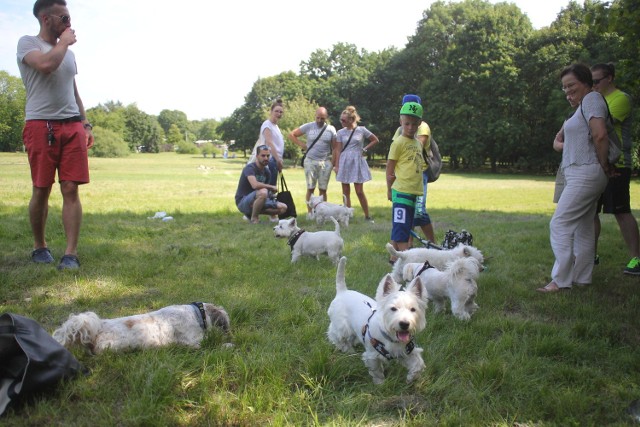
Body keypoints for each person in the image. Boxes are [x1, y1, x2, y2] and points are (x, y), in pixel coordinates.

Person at [17, 0, 94, 270]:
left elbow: (72, 89)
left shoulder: (68, 54)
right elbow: (46, 65)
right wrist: (64, 43)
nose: (69, 23)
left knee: (71, 188)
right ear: (46, 18)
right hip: (40, 125)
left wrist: (85, 123)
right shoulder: (28, 44)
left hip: (72, 126)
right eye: (64, 17)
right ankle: (40, 247)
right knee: (42, 188)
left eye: (69, 17)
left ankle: (70, 254)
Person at [537, 63, 613, 293]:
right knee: (584, 226)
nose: (568, 92)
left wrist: (603, 164)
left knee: (559, 223)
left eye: (572, 86)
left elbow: (600, 135)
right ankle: (582, 277)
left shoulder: (592, 99)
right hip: (583, 172)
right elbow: (559, 142)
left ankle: (560, 280)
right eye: (564, 88)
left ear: (587, 83)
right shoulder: (580, 109)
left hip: (586, 172)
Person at [590, 63, 639, 275]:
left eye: (596, 81)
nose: (593, 86)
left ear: (609, 78)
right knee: (590, 212)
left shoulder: (621, 99)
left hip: (616, 165)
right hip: (596, 164)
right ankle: (590, 256)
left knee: (621, 211)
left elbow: (599, 128)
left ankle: (636, 259)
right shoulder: (596, 98)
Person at [392, 94, 436, 242]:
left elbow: (418, 145)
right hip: (404, 178)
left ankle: (432, 242)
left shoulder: (422, 126)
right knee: (406, 213)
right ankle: (405, 244)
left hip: (419, 173)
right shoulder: (400, 128)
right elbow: (397, 150)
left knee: (419, 211)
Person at [386, 101, 426, 263]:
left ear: (419, 124)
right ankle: (408, 262)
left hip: (414, 191)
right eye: (407, 123)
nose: (410, 127)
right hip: (401, 191)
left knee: (404, 226)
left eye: (414, 124)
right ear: (401, 122)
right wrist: (389, 189)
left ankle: (394, 256)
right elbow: (390, 169)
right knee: (402, 227)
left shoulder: (417, 143)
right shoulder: (398, 143)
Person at [289, 107, 338, 218]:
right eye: (318, 118)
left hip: (325, 162)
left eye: (322, 118)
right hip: (310, 161)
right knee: (310, 188)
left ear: (326, 118)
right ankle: (310, 213)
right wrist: (302, 145)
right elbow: (292, 135)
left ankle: (323, 213)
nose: (320, 120)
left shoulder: (331, 129)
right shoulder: (308, 126)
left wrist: (332, 163)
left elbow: (335, 148)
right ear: (315, 116)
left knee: (323, 189)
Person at [334, 106, 379, 222]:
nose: (341, 122)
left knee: (359, 191)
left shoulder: (362, 130)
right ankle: (347, 216)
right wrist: (337, 165)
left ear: (351, 120)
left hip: (357, 161)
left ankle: (367, 216)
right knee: (345, 192)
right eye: (341, 120)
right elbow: (338, 150)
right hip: (344, 161)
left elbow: (375, 140)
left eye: (344, 120)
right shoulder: (340, 133)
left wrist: (365, 149)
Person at [235, 145, 287, 224]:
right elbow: (255, 185)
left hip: (258, 199)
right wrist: (271, 187)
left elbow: (267, 192)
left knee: (283, 208)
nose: (266, 158)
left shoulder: (267, 172)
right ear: (257, 156)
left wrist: (272, 193)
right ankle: (254, 219)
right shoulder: (250, 168)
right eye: (263, 155)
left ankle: (250, 214)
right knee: (263, 192)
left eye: (268, 156)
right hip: (243, 201)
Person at [260, 99, 285, 186]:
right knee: (270, 187)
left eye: (281, 112)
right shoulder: (267, 125)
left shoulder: (276, 126)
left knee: (273, 187)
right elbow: (269, 143)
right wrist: (278, 160)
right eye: (276, 111)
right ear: (271, 111)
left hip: (276, 160)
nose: (279, 114)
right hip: (270, 160)